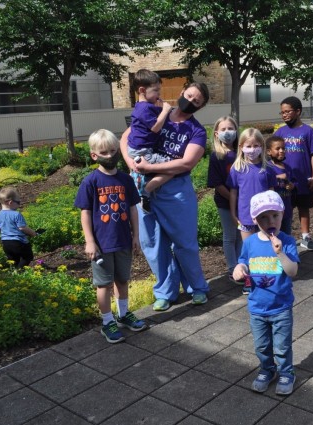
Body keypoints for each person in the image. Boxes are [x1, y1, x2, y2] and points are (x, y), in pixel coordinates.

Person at [120, 82, 211, 312]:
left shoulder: (197, 131)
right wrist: (132, 164)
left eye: (196, 101)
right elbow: (126, 138)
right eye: (189, 95)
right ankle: (165, 291)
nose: (190, 101)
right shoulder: (157, 112)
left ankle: (196, 287)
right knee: (152, 243)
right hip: (143, 189)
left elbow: (187, 162)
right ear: (182, 92)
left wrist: (150, 168)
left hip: (176, 192)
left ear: (200, 107)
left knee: (185, 242)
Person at [75, 129, 146, 343]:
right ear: (94, 155)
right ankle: (107, 322)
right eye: (104, 152)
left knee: (122, 280)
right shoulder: (91, 182)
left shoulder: (125, 179)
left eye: (113, 151)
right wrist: (89, 241)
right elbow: (85, 213)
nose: (110, 155)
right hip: (102, 245)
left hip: (123, 240)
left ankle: (123, 315)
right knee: (103, 284)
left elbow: (133, 209)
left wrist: (136, 236)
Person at [233, 190, 299, 396]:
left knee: (282, 346)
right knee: (261, 345)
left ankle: (287, 372)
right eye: (263, 217)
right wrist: (239, 269)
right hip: (257, 307)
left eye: (274, 215)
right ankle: (267, 369)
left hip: (280, 307)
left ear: (282, 214)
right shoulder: (250, 242)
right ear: (254, 219)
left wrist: (280, 253)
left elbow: (292, 271)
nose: (270, 221)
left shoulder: (287, 241)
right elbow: (243, 261)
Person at [228, 128, 276, 295]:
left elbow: (272, 193)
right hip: (245, 216)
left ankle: (268, 276)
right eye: (248, 145)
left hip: (265, 217)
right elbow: (233, 192)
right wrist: (233, 213)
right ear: (241, 146)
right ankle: (249, 280)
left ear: (262, 146)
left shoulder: (267, 168)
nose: (252, 149)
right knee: (248, 249)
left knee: (266, 248)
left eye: (256, 145)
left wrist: (273, 216)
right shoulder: (237, 168)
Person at [273, 96, 313, 251]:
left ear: (298, 111)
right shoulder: (280, 132)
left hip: (303, 180)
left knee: (303, 208)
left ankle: (306, 237)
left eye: (288, 111)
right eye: (282, 112)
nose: (285, 115)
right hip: (284, 181)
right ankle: (282, 235)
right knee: (284, 209)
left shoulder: (308, 132)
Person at [126, 69, 173, 212]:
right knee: (171, 165)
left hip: (139, 149)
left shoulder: (144, 107)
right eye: (156, 90)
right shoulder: (143, 109)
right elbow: (155, 127)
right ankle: (144, 191)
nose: (159, 94)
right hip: (142, 151)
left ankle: (141, 180)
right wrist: (165, 111)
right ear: (142, 90)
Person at [208, 116, 242, 281]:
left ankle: (241, 266)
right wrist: (233, 200)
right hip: (225, 203)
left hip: (243, 203)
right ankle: (232, 268)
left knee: (241, 234)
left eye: (230, 128)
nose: (227, 132)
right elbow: (217, 184)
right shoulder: (216, 156)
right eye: (223, 129)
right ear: (216, 133)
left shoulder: (241, 153)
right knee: (230, 236)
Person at [0, 187, 38, 268]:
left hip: (5, 243)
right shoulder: (16, 214)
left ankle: (15, 276)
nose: (19, 204)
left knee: (13, 261)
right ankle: (20, 272)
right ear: (10, 202)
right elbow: (22, 228)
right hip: (18, 243)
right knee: (27, 257)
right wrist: (33, 233)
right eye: (18, 202)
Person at [266, 135, 296, 236]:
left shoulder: (287, 167)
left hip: (286, 208)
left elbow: (293, 182)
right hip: (273, 211)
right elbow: (264, 183)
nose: (282, 151)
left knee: (286, 234)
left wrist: (292, 185)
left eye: (283, 148)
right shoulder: (267, 167)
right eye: (277, 148)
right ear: (269, 152)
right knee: (274, 235)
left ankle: (286, 252)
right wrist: (278, 177)